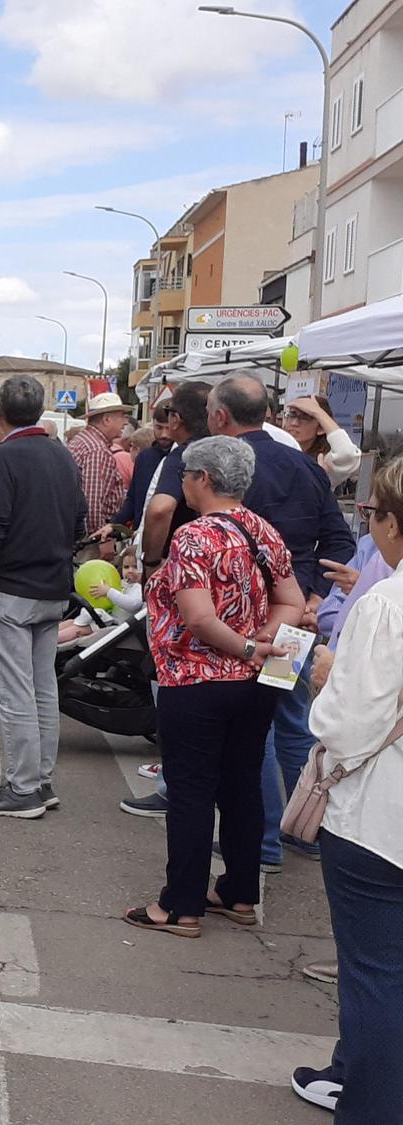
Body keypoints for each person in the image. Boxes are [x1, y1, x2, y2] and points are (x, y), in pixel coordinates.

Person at [124, 436, 303, 940]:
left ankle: (180, 905)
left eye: (185, 474)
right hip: (256, 685)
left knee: (191, 792)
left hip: (196, 680)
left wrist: (245, 646)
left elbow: (198, 618)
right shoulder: (263, 531)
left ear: (203, 478)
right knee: (242, 784)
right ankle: (240, 893)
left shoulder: (194, 537)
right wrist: (262, 639)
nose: (182, 483)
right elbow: (291, 602)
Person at [291, 458, 403, 1120]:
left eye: (374, 517)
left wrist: (326, 677)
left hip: (380, 821)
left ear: (392, 523)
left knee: (377, 979)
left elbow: (348, 725)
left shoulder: (386, 605)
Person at [206, 376, 356, 869]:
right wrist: (313, 597)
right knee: (293, 723)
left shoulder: (222, 469)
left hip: (250, 624)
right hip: (297, 620)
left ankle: (264, 841)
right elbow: (339, 541)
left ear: (221, 416)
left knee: (258, 731)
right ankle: (303, 830)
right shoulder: (303, 466)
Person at [0, 375, 84, 819]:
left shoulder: (2, 458)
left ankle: (21, 787)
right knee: (42, 689)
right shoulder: (61, 455)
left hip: (9, 589)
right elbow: (77, 523)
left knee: (14, 691)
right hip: (51, 588)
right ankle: (40, 780)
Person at [141, 381, 213, 569]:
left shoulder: (183, 456)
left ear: (176, 419)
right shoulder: (229, 450)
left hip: (185, 563)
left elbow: (160, 509)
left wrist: (151, 562)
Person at [69, 391, 130, 536]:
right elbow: (92, 502)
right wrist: (100, 538)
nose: (125, 422)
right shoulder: (97, 450)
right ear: (107, 420)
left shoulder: (81, 441)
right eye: (122, 416)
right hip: (91, 536)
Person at [282, 394, 363, 486]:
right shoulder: (277, 447)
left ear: (321, 428)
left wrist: (317, 411)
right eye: (292, 415)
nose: (294, 423)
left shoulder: (324, 461)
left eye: (305, 417)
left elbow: (348, 455)